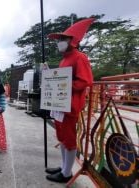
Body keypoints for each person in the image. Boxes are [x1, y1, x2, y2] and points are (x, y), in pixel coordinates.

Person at [45, 18, 94, 183]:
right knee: (61, 136)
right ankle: (64, 166)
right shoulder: (64, 59)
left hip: (70, 105)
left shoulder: (80, 58)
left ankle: (66, 173)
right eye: (59, 39)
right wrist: (50, 74)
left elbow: (85, 81)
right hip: (59, 104)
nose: (59, 42)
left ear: (72, 40)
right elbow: (59, 79)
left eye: (62, 39)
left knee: (69, 138)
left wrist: (65, 84)